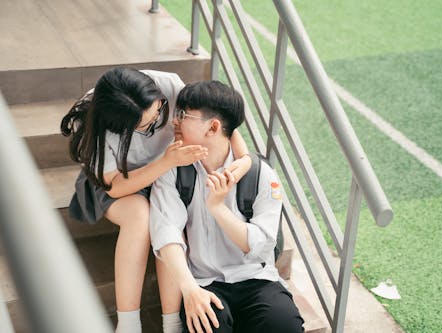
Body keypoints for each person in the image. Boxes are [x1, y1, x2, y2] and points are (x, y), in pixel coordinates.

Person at [60, 68, 252, 333]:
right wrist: (166, 162)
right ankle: (128, 324)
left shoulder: (167, 84)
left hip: (168, 171)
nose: (160, 121)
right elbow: (114, 186)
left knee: (170, 219)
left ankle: (171, 323)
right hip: (119, 180)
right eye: (147, 126)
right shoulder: (96, 119)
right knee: (141, 215)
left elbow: (215, 114)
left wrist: (244, 158)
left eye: (160, 110)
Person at [149, 80, 304, 333]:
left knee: (284, 326)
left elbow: (259, 245)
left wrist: (218, 208)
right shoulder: (173, 171)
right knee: (207, 327)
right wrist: (190, 290)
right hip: (204, 282)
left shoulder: (261, 174)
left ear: (213, 127)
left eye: (183, 115)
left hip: (257, 279)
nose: (175, 121)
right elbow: (166, 233)